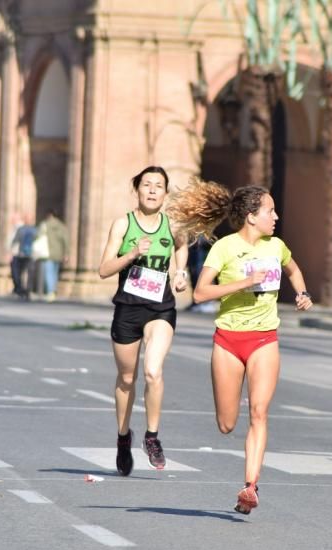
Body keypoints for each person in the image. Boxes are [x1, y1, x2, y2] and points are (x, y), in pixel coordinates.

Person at [168, 179, 312, 514]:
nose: (275, 217)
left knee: (259, 412)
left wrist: (302, 293)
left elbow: (293, 270)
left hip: (264, 338)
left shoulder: (276, 246)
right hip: (229, 340)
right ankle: (239, 406)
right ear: (251, 216)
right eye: (269, 211)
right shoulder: (225, 248)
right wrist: (246, 282)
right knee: (226, 424)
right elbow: (201, 293)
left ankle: (250, 486)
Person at [97, 166, 189, 475]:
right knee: (127, 378)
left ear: (165, 193)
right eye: (146, 185)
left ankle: (152, 436)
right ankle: (123, 438)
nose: (152, 190)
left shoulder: (171, 224)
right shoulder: (123, 224)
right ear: (137, 190)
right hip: (128, 307)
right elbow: (104, 269)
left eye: (158, 186)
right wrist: (132, 253)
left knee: (152, 371)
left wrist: (180, 272)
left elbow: (181, 245)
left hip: (160, 307)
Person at [35, 209, 69, 301]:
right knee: (54, 273)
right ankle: (53, 290)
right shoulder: (62, 226)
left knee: (48, 273)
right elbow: (66, 240)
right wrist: (66, 253)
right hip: (58, 253)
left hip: (48, 253)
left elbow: (37, 236)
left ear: (49, 215)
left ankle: (50, 292)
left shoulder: (45, 225)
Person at [7, 213, 36, 300]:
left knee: (22, 273)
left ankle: (24, 290)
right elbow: (15, 241)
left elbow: (14, 241)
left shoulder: (28, 229)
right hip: (24, 254)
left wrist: (10, 251)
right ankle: (22, 290)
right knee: (22, 273)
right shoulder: (34, 230)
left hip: (25, 255)